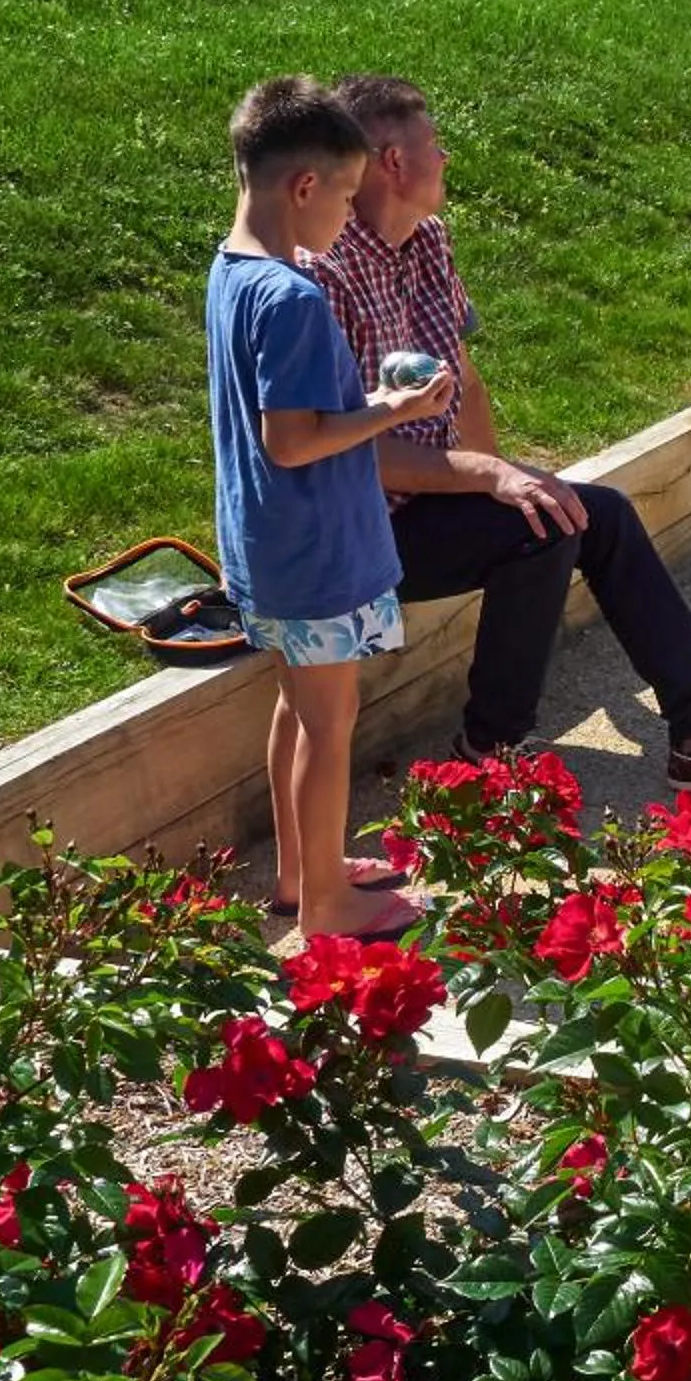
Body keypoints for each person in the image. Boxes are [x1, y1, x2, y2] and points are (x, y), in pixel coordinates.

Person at [299, 77, 691, 796]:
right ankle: (489, 750)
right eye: (434, 143)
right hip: (355, 526)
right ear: (392, 161)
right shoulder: (323, 275)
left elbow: (465, 378)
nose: (447, 156)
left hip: (423, 499)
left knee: (583, 511)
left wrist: (504, 473)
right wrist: (492, 481)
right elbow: (345, 449)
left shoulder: (426, 242)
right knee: (544, 523)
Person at [208, 78, 455, 938]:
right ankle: (327, 906)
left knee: (297, 708)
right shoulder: (294, 298)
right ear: (304, 188)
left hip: (264, 543)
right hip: (316, 549)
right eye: (347, 196)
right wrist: (396, 412)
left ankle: (299, 872)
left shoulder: (234, 270)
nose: (349, 216)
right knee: (329, 723)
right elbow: (294, 439)